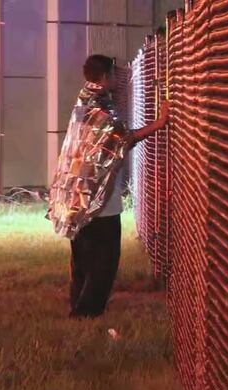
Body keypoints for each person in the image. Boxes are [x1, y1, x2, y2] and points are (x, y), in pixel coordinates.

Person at [48, 54, 169, 318]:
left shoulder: (83, 103)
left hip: (77, 199)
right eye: (114, 74)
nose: (116, 79)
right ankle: (87, 313)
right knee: (104, 261)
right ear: (104, 77)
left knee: (81, 259)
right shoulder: (101, 109)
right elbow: (123, 140)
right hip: (99, 204)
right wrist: (159, 124)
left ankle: (78, 307)